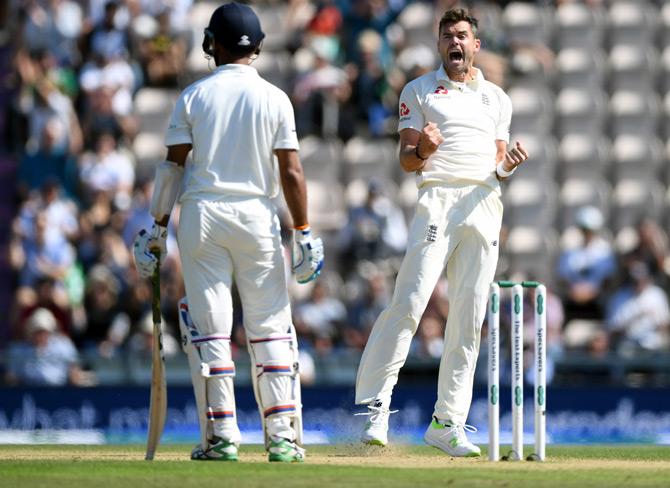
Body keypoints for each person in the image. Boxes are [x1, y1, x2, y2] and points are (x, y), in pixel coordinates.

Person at [132, 2, 324, 463]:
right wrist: (302, 230)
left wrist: (156, 228)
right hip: (257, 217)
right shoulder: (275, 97)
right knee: (271, 329)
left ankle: (221, 438)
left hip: (203, 217)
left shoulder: (194, 96)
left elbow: (172, 167)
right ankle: (281, 438)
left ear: (210, 45)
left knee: (211, 332)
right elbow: (292, 171)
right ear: (257, 47)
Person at [354, 8, 529, 457]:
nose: (456, 42)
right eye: (448, 36)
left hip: (484, 204)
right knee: (409, 303)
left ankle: (447, 422)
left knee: (469, 317)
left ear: (476, 45)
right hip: (439, 201)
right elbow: (408, 159)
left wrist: (507, 165)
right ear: (440, 45)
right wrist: (425, 149)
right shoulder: (418, 90)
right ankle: (376, 407)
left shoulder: (497, 99)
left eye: (463, 35)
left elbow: (496, 165)